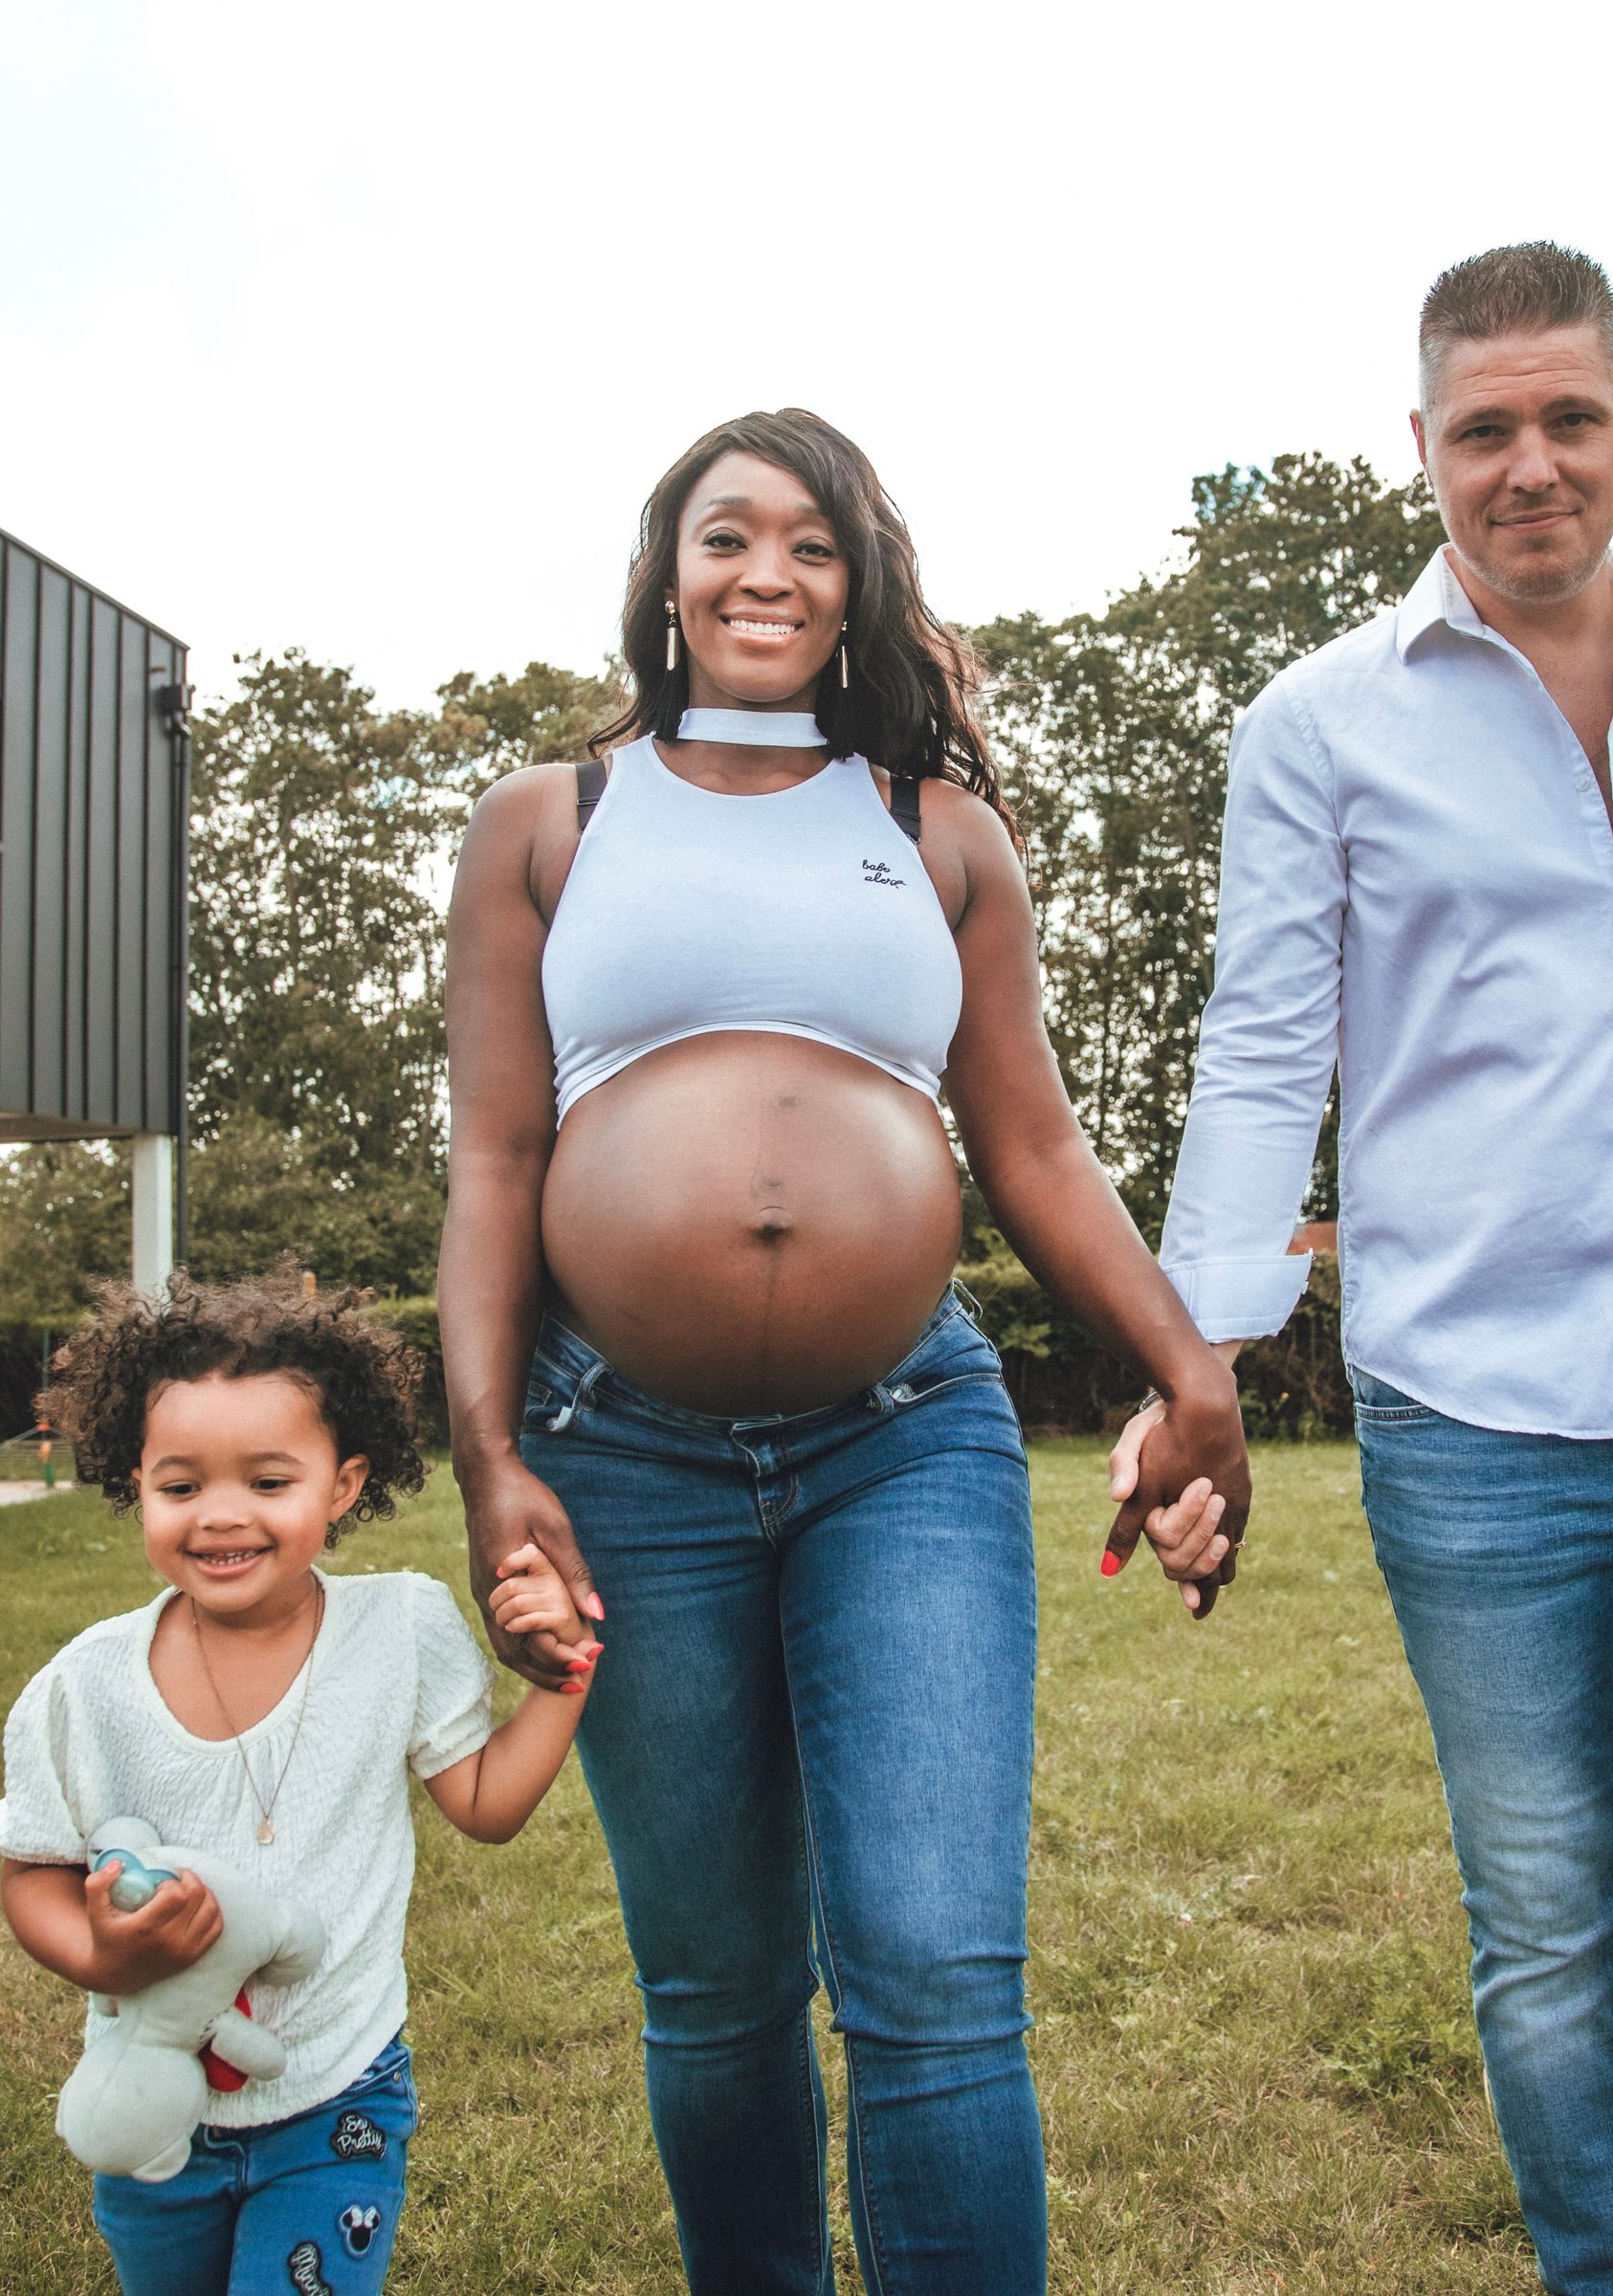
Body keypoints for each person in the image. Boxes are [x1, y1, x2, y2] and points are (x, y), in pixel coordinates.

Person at [438, 407, 1251, 2294]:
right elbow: (490, 1160)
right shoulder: (549, 826)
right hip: (619, 1452)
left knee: (938, 1971)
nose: (767, 576)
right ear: (666, 573)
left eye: (811, 545)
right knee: (717, 1988)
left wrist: (1184, 1365)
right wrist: (493, 1456)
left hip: (907, 1446)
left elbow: (1031, 1146)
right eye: (729, 538)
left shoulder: (935, 833)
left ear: (858, 583)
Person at [1110, 243, 1613, 2296]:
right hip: (1479, 1412)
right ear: (1420, 448)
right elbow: (1262, 1043)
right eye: (1485, 429)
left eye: (1568, 418)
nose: (1532, 464)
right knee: (1548, 1935)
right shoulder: (1322, 726)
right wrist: (1203, 1364)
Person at [0, 1270, 599, 2296]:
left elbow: (489, 1807)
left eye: (269, 1483)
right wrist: (100, 1949)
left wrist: (566, 1665)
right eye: (180, 1487)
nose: (221, 1518)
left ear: (344, 1484)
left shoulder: (398, 1631)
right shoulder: (84, 1688)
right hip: (155, 2105)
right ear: (134, 1481)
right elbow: (29, 1874)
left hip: (339, 2097)